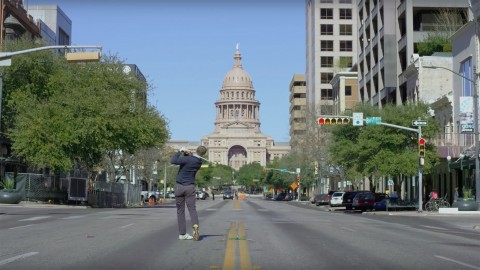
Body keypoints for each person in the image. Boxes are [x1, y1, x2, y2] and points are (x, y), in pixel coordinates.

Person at [171, 145, 207, 241]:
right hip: (190, 187)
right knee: (192, 209)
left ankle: (182, 234)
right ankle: (195, 226)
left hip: (179, 187)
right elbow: (190, 161)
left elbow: (173, 160)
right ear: (203, 154)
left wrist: (180, 151)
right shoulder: (199, 162)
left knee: (180, 211)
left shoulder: (188, 159)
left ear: (196, 150)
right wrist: (187, 154)